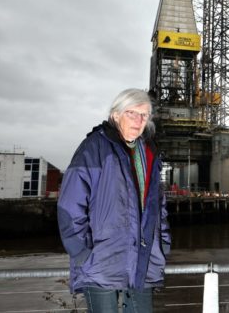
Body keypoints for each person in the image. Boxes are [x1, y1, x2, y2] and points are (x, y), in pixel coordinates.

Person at [57, 88, 171, 313]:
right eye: (132, 113)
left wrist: (163, 243)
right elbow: (69, 205)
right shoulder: (94, 148)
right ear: (115, 114)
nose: (139, 121)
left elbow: (159, 206)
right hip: (102, 262)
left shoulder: (148, 153)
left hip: (142, 260)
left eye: (144, 115)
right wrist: (82, 252)